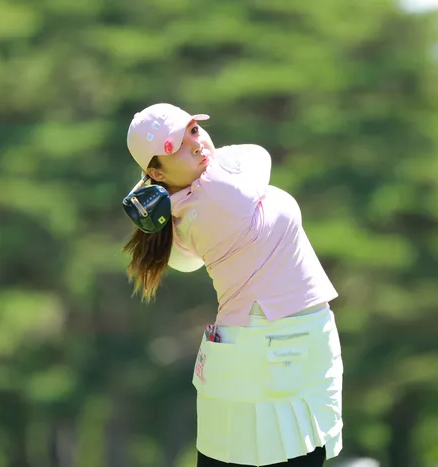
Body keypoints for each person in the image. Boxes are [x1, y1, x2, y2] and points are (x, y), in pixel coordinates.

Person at [123, 103, 344, 467]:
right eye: (176, 147)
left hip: (253, 346)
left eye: (194, 130)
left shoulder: (179, 214)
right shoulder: (221, 185)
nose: (197, 144)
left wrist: (157, 187)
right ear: (155, 171)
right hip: (280, 347)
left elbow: (186, 262)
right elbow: (257, 154)